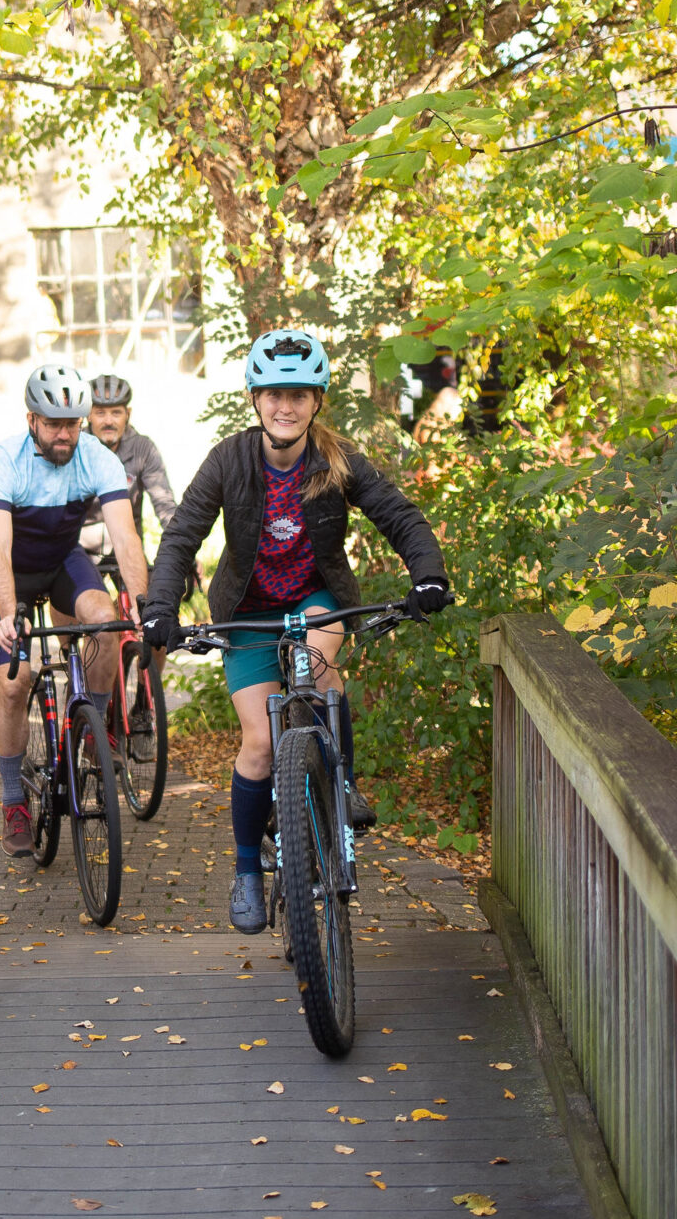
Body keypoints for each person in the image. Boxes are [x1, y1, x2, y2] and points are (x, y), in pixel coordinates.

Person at [137, 331, 451, 934]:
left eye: (300, 395)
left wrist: (428, 575)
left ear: (317, 401)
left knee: (321, 669)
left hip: (315, 597)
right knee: (258, 743)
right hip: (248, 610)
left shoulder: (338, 461)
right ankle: (249, 869)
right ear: (256, 398)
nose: (287, 406)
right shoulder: (229, 460)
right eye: (275, 394)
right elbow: (182, 536)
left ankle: (343, 785)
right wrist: (159, 607)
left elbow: (399, 515)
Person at [0, 363, 151, 856]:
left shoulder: (95, 456)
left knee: (106, 618)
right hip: (10, 568)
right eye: (53, 423)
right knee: (15, 682)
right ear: (31, 419)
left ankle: (93, 728)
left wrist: (141, 603)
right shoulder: (3, 460)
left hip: (60, 561)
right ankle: (14, 799)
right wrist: (10, 612)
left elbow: (125, 535)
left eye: (72, 423)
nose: (64, 434)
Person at [78, 372, 178, 558]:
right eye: (100, 413)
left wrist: (182, 550)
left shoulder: (143, 448)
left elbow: (164, 504)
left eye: (116, 412)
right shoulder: (75, 446)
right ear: (88, 415)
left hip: (127, 543)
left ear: (128, 414)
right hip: (80, 545)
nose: (109, 421)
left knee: (144, 586)